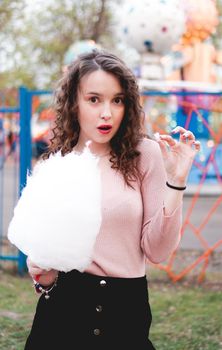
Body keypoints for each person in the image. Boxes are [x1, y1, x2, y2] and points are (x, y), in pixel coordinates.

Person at [24, 49, 200, 350]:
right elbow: (44, 264)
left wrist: (177, 181)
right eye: (94, 99)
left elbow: (158, 251)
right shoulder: (57, 162)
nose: (107, 112)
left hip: (125, 312)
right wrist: (43, 275)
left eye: (117, 100)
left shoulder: (144, 154)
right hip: (62, 316)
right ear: (74, 103)